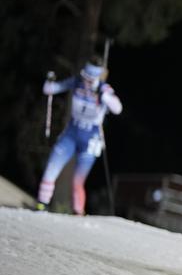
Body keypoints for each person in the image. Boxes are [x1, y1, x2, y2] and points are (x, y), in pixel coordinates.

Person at [36, 58, 123, 214]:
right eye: (86, 77)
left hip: (90, 139)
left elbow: (117, 108)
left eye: (91, 79)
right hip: (71, 133)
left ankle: (78, 213)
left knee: (77, 181)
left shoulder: (104, 89)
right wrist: (49, 83)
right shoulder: (76, 81)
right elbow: (50, 89)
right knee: (51, 167)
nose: (87, 82)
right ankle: (41, 205)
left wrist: (104, 96)